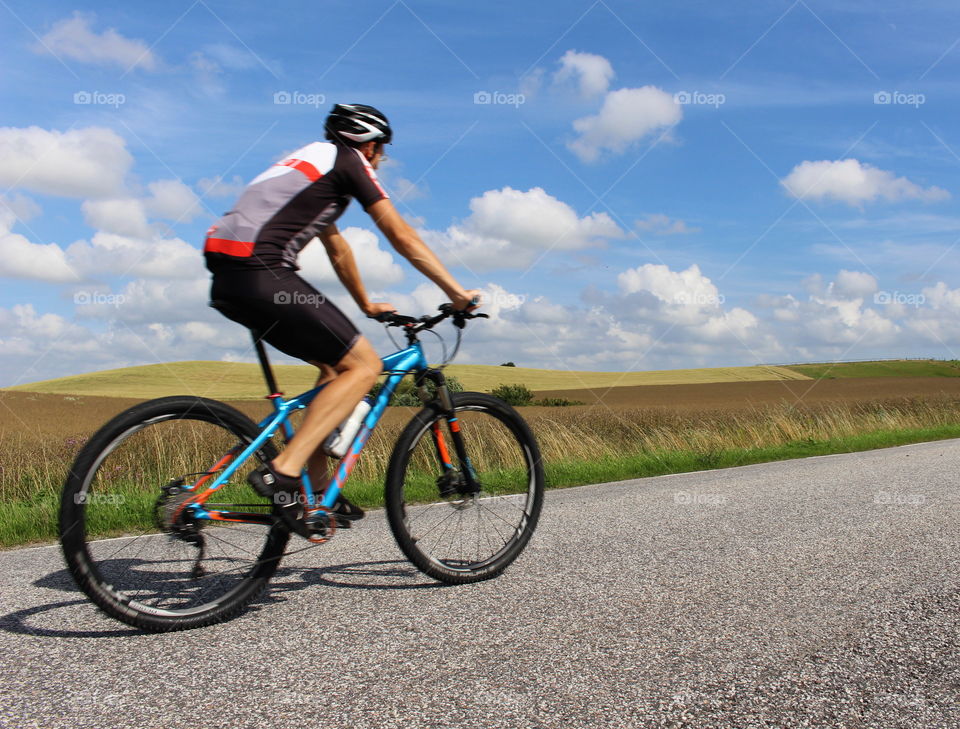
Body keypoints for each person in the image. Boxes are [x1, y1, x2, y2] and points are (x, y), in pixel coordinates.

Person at [204, 103, 479, 536]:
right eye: (381, 152)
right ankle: (284, 473)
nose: (380, 160)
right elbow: (400, 234)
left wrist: (367, 304)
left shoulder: (307, 165)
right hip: (261, 269)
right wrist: (456, 293)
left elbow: (337, 249)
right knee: (366, 366)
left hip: (226, 277)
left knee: (334, 369)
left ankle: (313, 487)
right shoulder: (350, 163)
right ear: (369, 146)